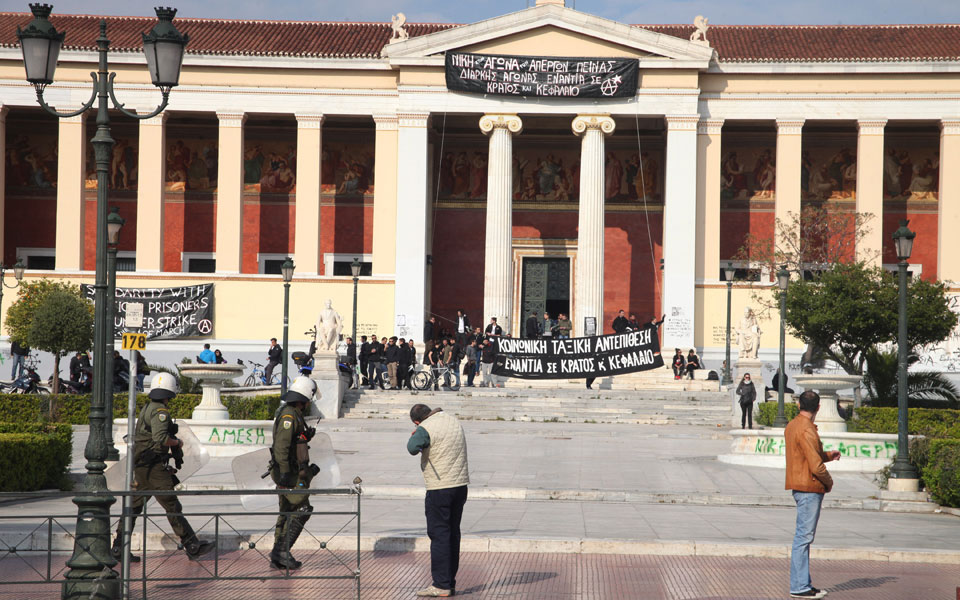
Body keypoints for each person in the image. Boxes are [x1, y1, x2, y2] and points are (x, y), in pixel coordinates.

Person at [111, 372, 215, 563]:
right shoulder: (161, 412)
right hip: (153, 467)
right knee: (171, 504)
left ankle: (118, 547)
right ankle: (191, 544)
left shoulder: (147, 408)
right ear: (170, 391)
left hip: (142, 464)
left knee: (133, 507)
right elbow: (160, 438)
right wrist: (177, 443)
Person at [407, 403, 469, 598]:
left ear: (417, 421)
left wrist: (416, 432)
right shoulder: (453, 420)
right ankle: (449, 582)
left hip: (440, 487)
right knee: (453, 534)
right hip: (460, 486)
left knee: (439, 534)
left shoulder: (426, 427)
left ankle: (441, 585)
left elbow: (411, 447)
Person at [785, 390, 840, 599]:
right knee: (803, 538)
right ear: (818, 407)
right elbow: (815, 467)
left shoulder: (792, 425)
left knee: (803, 537)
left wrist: (827, 455)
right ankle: (799, 587)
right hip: (809, 487)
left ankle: (803, 583)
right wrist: (829, 482)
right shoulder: (807, 429)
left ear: (799, 405)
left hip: (799, 485)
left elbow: (804, 456)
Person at [269, 376, 319, 570]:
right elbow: (281, 446)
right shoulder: (289, 416)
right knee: (301, 509)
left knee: (286, 512)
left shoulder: (293, 413)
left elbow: (294, 441)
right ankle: (282, 551)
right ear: (303, 398)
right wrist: (283, 473)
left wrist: (305, 437)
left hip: (290, 470)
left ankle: (278, 554)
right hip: (287, 472)